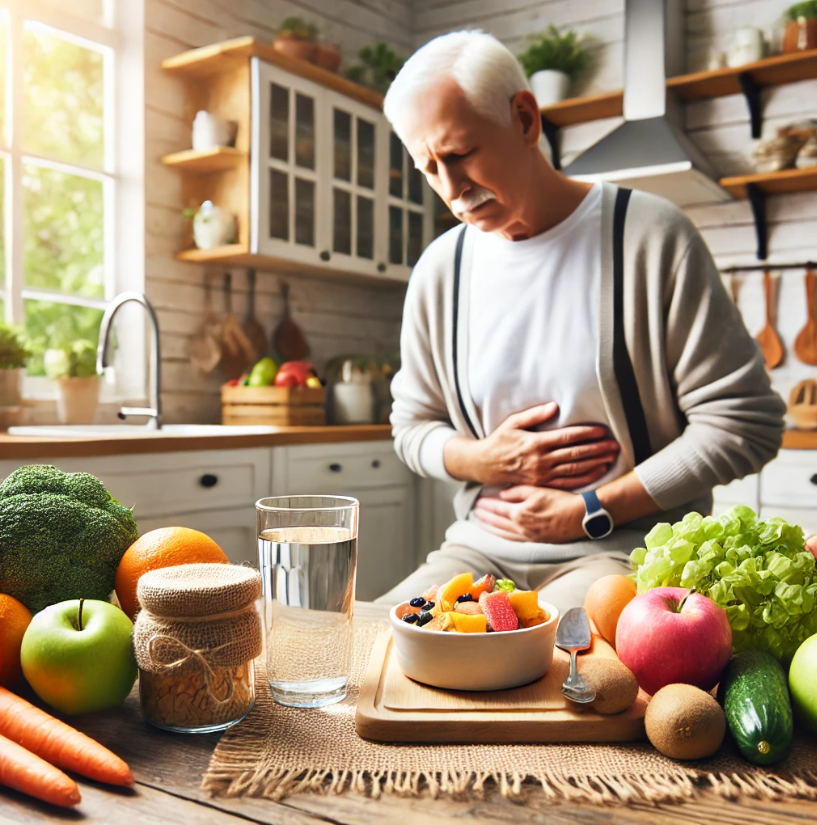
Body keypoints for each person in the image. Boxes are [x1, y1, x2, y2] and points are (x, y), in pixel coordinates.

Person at [375, 31, 786, 612]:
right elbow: (411, 426)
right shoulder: (441, 269)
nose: (451, 189)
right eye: (429, 167)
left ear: (524, 118)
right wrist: (487, 460)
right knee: (370, 644)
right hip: (479, 552)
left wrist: (594, 507)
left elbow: (746, 423)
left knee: (542, 665)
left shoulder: (650, 237)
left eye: (461, 153)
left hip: (620, 553)